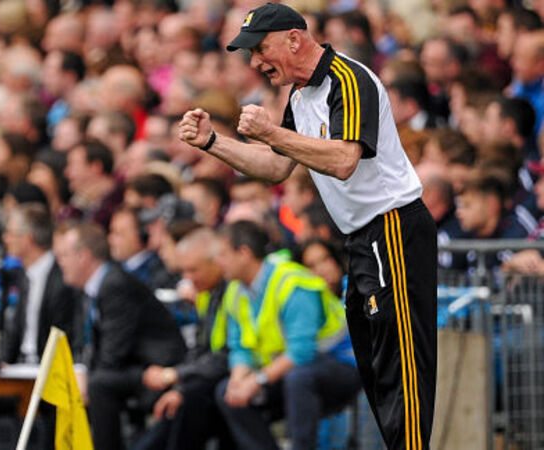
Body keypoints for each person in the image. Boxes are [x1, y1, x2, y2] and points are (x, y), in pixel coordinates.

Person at [179, 4, 438, 448]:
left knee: (402, 365)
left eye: (260, 49)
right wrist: (213, 142)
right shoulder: (299, 97)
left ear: (294, 39)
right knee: (377, 367)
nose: (255, 62)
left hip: (392, 229)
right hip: (361, 237)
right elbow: (277, 166)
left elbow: (343, 159)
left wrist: (271, 132)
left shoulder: (347, 79)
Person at [214, 221, 360, 449]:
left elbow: (302, 352)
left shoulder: (291, 282)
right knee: (226, 391)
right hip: (288, 370)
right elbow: (239, 346)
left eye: (223, 254)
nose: (217, 262)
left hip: (341, 364)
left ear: (243, 253)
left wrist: (257, 381)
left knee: (298, 378)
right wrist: (238, 380)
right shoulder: (235, 290)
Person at [54, 223, 187, 450]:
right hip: (132, 365)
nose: (60, 263)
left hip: (157, 368)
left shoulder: (115, 284)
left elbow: (113, 353)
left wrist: (86, 378)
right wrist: (80, 370)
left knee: (99, 384)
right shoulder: (91, 288)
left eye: (64, 255)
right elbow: (84, 342)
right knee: (75, 382)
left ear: (83, 256)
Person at [134, 228, 232, 450]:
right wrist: (179, 385)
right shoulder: (208, 294)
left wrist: (175, 375)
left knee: (190, 396)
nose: (187, 278)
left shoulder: (232, 292)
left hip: (236, 376)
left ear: (216, 263)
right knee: (177, 398)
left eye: (193, 270)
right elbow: (200, 350)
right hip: (209, 378)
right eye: (184, 271)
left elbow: (225, 356)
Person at [1, 203, 78, 364]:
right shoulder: (21, 274)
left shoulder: (63, 277)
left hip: (49, 366)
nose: (5, 238)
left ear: (28, 239)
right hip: (20, 365)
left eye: (10, 233)